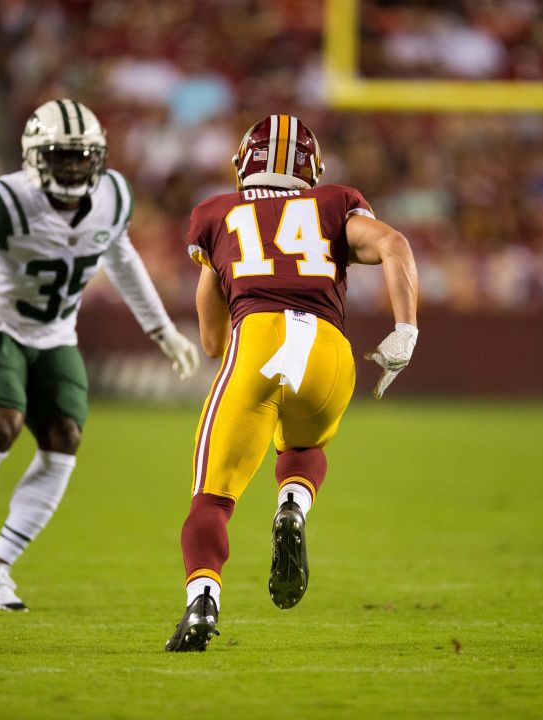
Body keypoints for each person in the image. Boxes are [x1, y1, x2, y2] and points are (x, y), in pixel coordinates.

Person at [0, 99, 199, 611]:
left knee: (65, 439)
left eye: (82, 157)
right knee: (0, 427)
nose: (73, 167)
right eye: (61, 156)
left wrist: (163, 330)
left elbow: (123, 258)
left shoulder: (113, 195)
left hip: (56, 335)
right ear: (34, 158)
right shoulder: (7, 201)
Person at [165, 114, 420, 651]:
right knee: (305, 445)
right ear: (312, 170)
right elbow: (395, 243)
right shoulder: (334, 202)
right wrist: (406, 329)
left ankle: (202, 604)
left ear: (242, 164)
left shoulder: (216, 214)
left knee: (211, 497)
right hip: (329, 352)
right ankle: (293, 506)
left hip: (258, 340)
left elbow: (212, 341)